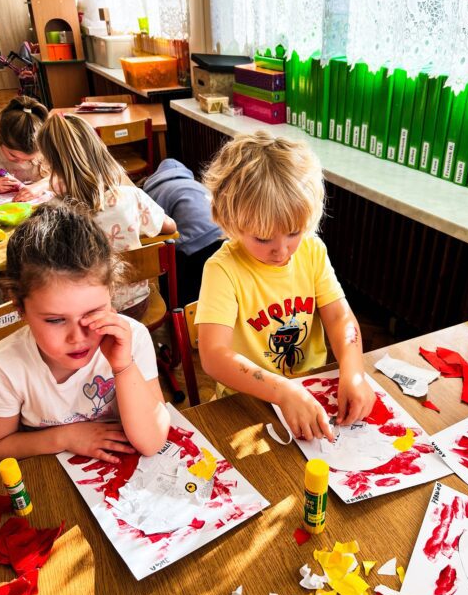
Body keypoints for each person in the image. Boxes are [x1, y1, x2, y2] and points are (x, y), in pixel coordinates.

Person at [196, 131, 376, 441]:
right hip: (246, 400)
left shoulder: (312, 251)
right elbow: (213, 356)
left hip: (311, 388)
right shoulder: (222, 269)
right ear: (231, 221)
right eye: (263, 238)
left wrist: (354, 370)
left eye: (293, 232)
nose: (281, 250)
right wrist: (281, 391)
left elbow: (339, 318)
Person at [0, 201, 171, 464]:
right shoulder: (4, 366)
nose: (77, 337)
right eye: (55, 320)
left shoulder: (133, 339)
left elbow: (152, 441)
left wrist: (123, 366)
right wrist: (64, 437)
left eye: (93, 313)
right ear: (21, 308)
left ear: (111, 294)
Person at [38, 114, 176, 319]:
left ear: (50, 164)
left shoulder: (52, 213)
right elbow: (171, 228)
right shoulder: (131, 196)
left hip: (84, 316)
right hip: (135, 305)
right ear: (100, 150)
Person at [144, 158, 224, 305]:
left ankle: (177, 306)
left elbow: (154, 228)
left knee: (167, 262)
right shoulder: (197, 185)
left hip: (192, 244)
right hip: (222, 234)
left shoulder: (155, 191)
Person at [0, 95, 50, 201]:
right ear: (0, 138)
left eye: (29, 159)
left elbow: (69, 174)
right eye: (13, 155)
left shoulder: (48, 146)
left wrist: (42, 185)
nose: (20, 162)